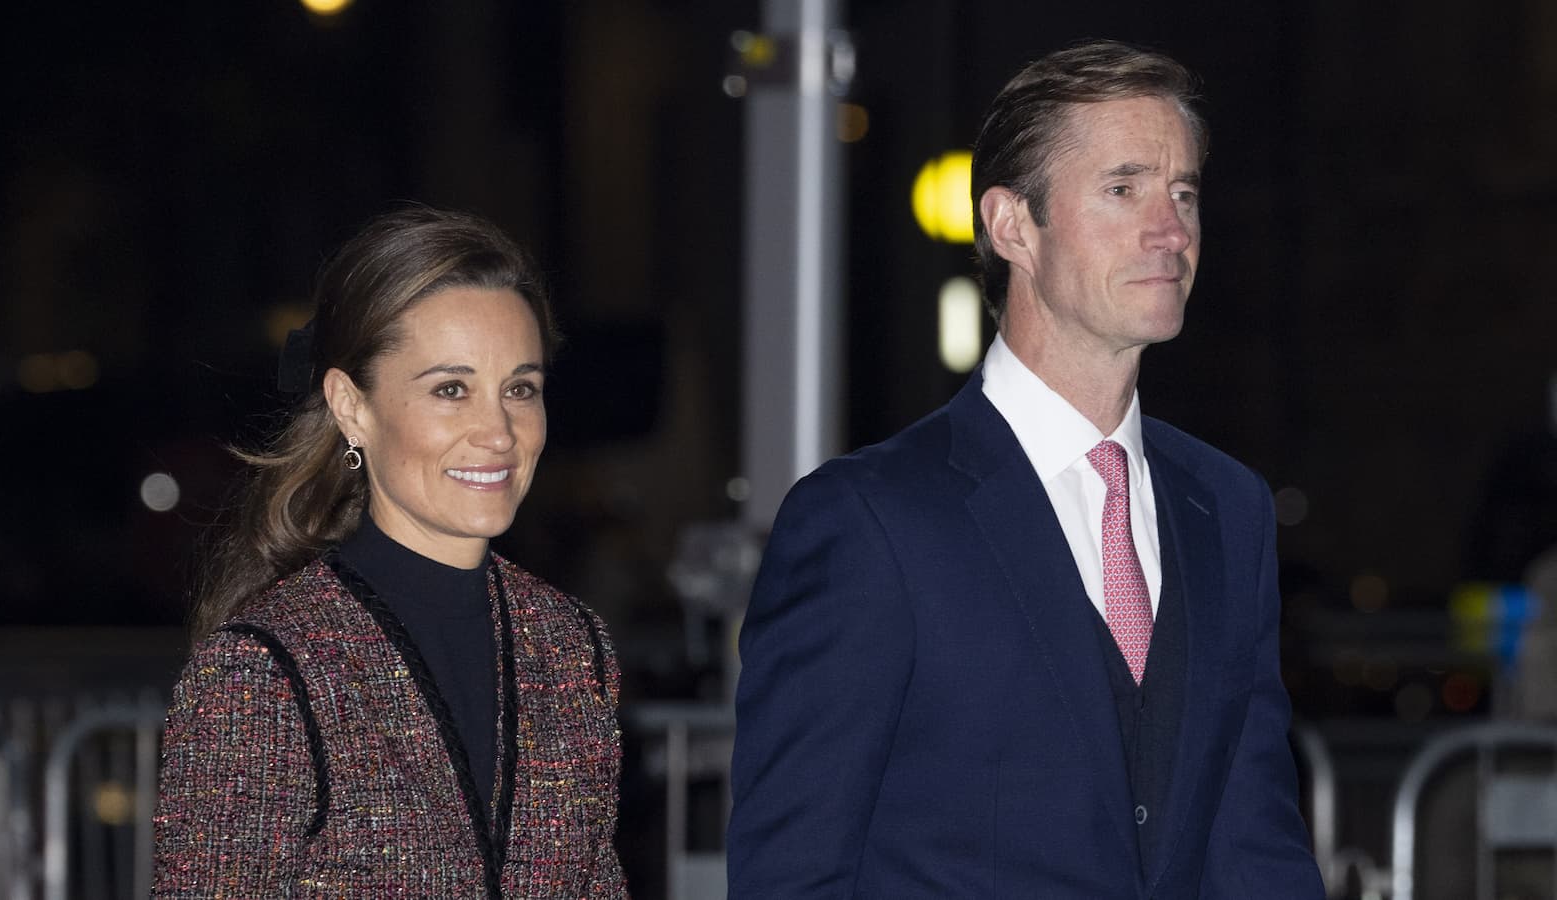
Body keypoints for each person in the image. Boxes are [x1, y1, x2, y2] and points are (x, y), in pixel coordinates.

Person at [728, 40, 1324, 897]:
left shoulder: (1228, 507)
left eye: (1183, 192)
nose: (1171, 230)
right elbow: (794, 873)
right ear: (1013, 226)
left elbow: (1255, 846)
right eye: (1124, 189)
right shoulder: (870, 521)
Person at [152, 206, 627, 898]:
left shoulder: (571, 646)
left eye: (519, 389)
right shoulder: (267, 671)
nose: (498, 431)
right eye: (451, 390)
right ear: (352, 406)